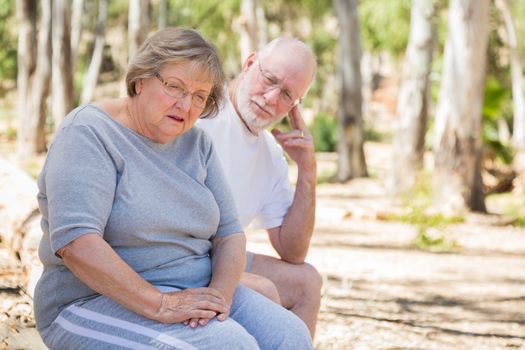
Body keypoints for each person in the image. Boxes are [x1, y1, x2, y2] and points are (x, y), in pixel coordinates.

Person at [33, 28, 312, 350]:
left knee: (290, 336)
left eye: (199, 96)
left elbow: (230, 234)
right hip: (88, 300)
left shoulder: (197, 143)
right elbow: (77, 243)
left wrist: (220, 296)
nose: (186, 105)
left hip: (194, 286)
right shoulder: (89, 133)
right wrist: (161, 304)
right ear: (140, 79)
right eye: (174, 87)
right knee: (229, 346)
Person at [197, 37, 322, 337]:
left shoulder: (271, 155)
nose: (270, 99)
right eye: (270, 80)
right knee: (264, 290)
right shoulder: (200, 110)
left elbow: (293, 251)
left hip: (222, 257)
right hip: (180, 257)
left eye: (287, 95)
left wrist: (307, 171)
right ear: (250, 63)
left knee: (307, 281)